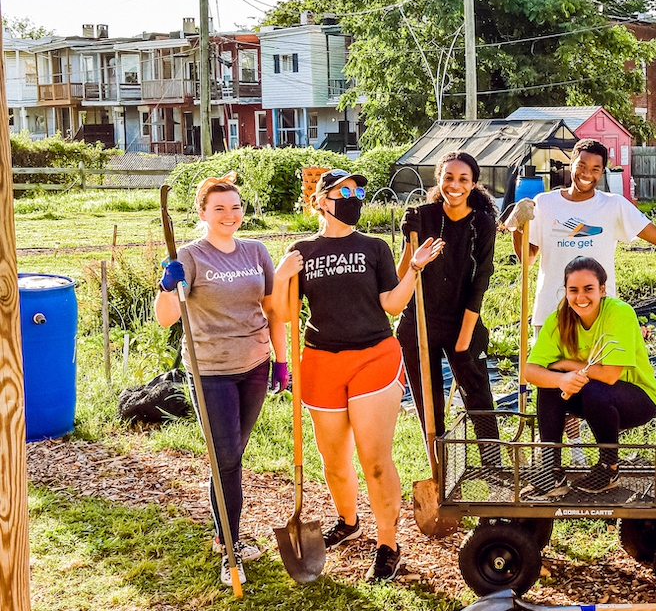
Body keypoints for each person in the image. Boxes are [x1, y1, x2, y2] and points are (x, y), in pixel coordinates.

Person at [273, 169, 444, 582]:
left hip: (374, 357)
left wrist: (414, 269)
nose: (353, 197)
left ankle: (388, 545)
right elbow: (284, 315)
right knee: (333, 462)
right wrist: (281, 275)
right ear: (320, 201)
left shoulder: (373, 247)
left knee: (376, 461)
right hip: (320, 360)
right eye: (342, 191)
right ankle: (349, 522)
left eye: (357, 190)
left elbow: (391, 304)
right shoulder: (301, 251)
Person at [154, 173, 287, 586]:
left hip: (254, 365)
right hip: (210, 370)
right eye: (220, 208)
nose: (230, 215)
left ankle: (222, 531)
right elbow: (164, 319)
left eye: (236, 206)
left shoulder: (256, 251)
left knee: (233, 455)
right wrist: (166, 286)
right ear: (202, 213)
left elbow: (272, 309)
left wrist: (281, 362)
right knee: (226, 457)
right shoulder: (191, 256)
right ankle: (230, 548)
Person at [506, 138, 656, 328]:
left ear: (602, 171)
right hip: (551, 313)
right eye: (581, 166)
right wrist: (518, 227)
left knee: (597, 375)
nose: (587, 174)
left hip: (598, 316)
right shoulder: (544, 203)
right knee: (547, 374)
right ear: (571, 164)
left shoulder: (613, 205)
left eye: (595, 169)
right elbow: (527, 259)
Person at [522, 257, 656, 496]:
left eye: (589, 289)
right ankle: (552, 471)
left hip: (636, 399)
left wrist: (567, 364)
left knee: (592, 387)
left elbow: (609, 375)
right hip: (590, 398)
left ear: (602, 289)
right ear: (565, 291)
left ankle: (609, 468)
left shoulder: (619, 313)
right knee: (550, 381)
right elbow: (529, 371)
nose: (581, 297)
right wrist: (560, 379)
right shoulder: (558, 320)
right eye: (573, 290)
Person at [397, 151, 502, 467]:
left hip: (464, 323)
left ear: (473, 184)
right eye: (448, 177)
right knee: (430, 407)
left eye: (463, 179)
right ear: (438, 180)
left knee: (479, 399)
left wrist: (463, 341)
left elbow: (480, 280)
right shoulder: (422, 217)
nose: (454, 185)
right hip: (419, 325)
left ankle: (494, 470)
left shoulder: (482, 224)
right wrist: (408, 243)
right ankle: (440, 476)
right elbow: (402, 275)